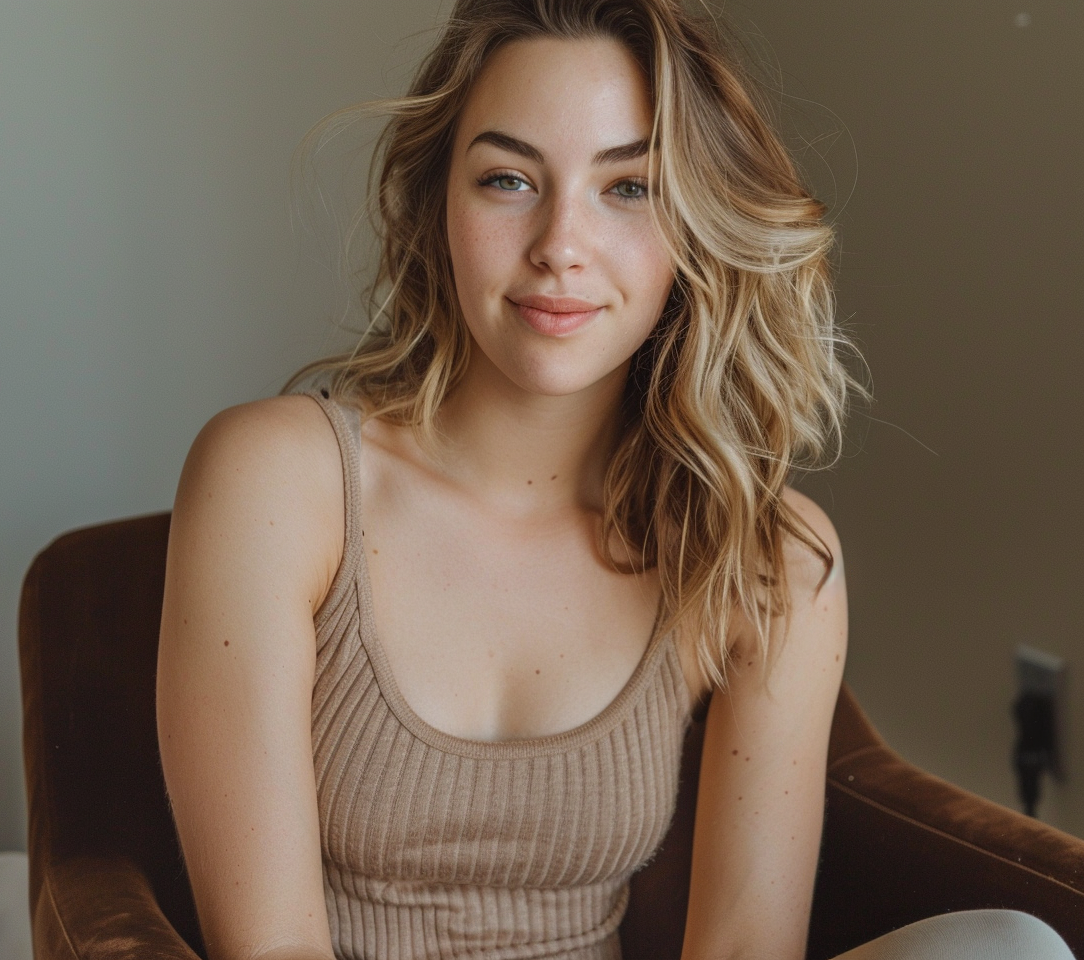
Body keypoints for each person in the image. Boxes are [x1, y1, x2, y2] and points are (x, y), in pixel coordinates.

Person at [155, 2, 1076, 959]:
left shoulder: (765, 560)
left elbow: (743, 949)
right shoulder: (277, 481)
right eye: (508, 179)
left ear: (696, 224)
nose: (560, 243)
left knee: (1011, 947)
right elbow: (269, 951)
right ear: (442, 202)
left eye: (628, 187)